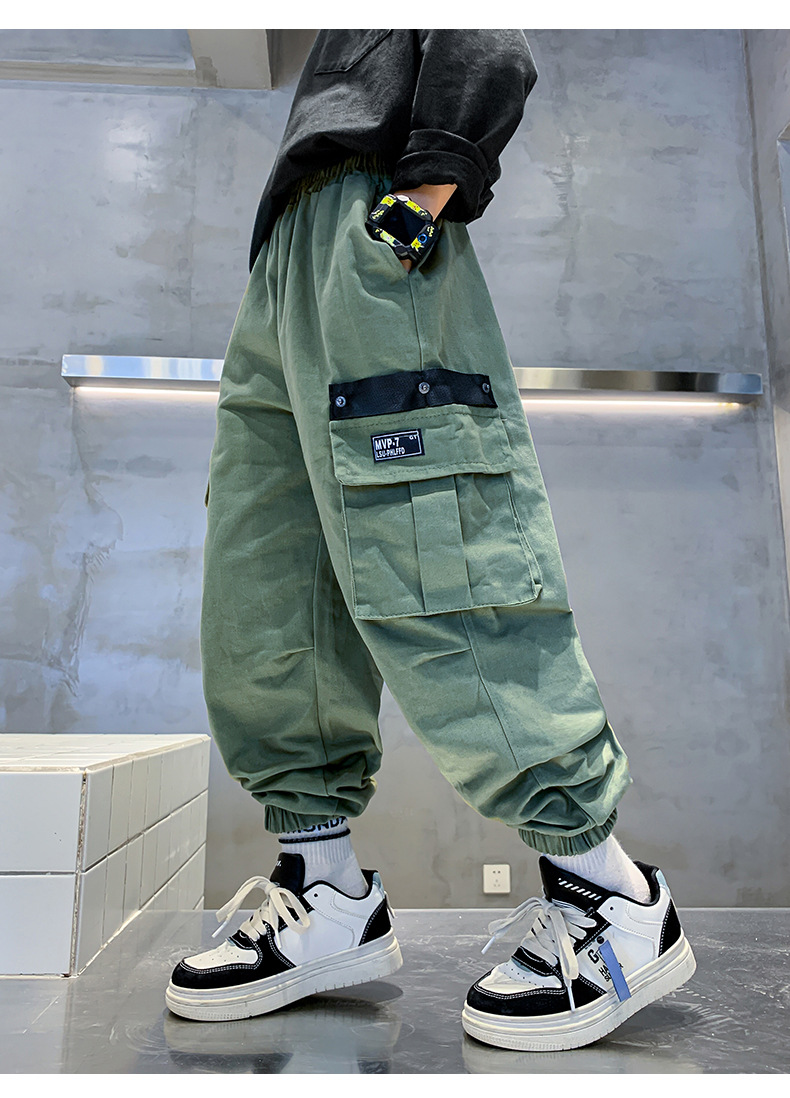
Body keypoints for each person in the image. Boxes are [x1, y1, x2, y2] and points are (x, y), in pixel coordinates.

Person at [165, 29, 695, 1051]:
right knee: (267, 577)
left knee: (435, 557)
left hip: (368, 229)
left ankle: (613, 897)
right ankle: (326, 894)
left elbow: (488, 43)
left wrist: (407, 216)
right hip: (283, 262)